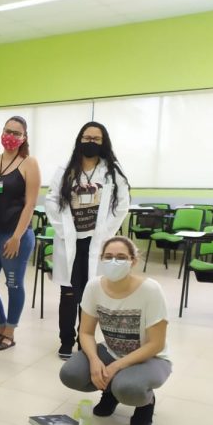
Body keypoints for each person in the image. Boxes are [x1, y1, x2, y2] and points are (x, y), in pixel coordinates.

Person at [59, 236, 171, 425]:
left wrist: (115, 366)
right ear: (101, 259)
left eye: (121, 257)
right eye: (108, 256)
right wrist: (94, 360)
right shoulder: (94, 286)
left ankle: (146, 402)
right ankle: (110, 392)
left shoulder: (150, 290)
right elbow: (85, 332)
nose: (114, 262)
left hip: (151, 357)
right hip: (112, 351)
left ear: (133, 261)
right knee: (70, 374)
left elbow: (156, 344)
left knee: (128, 388)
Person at [45, 121, 130, 360]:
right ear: (79, 140)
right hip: (70, 240)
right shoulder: (65, 169)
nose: (90, 142)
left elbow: (122, 204)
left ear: (103, 143)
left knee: (90, 294)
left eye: (96, 139)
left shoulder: (112, 171)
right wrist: (64, 230)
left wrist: (105, 231)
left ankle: (85, 342)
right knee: (68, 292)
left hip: (96, 241)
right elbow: (51, 200)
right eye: (87, 137)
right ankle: (65, 340)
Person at [0, 115, 41, 351]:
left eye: (16, 133)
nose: (10, 136)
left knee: (13, 284)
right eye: (7, 131)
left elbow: (30, 204)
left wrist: (16, 237)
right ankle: (1, 326)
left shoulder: (29, 163)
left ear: (24, 137)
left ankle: (10, 332)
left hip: (15, 237)